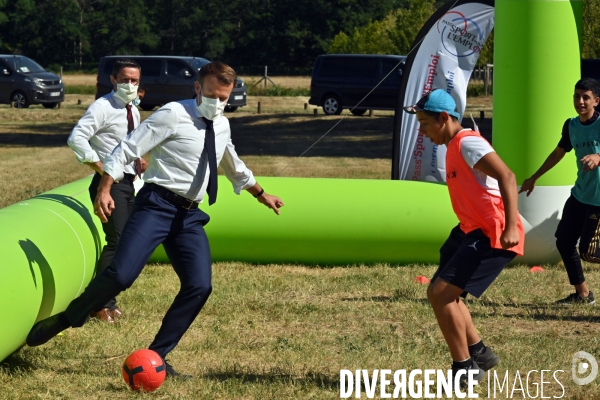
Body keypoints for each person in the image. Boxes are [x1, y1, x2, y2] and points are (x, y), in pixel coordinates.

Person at [27, 61, 284, 378]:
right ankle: (67, 318)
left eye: (224, 98)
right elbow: (125, 149)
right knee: (121, 275)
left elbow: (231, 161)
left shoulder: (222, 124)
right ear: (197, 88)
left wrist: (261, 194)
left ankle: (157, 356)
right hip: (157, 205)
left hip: (189, 216)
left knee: (200, 286)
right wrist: (105, 189)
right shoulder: (173, 114)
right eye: (212, 95)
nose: (218, 103)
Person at [403, 89, 524, 387]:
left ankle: (465, 368)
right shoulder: (454, 144)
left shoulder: (467, 142)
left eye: (424, 123)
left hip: (491, 232)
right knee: (442, 292)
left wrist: (510, 226)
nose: (422, 130)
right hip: (469, 230)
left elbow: (507, 176)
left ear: (444, 118)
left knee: (441, 295)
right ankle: (479, 353)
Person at [66, 59, 147, 323]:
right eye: (125, 79)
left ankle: (107, 301)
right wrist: (102, 169)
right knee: (117, 242)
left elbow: (129, 142)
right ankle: (99, 304)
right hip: (109, 185)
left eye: (134, 80)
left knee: (124, 242)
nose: (130, 84)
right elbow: (76, 138)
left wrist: (138, 160)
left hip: (128, 183)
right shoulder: (102, 107)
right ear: (113, 80)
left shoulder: (132, 108)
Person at [520, 78, 600, 305]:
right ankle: (583, 295)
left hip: (598, 200)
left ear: (596, 100)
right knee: (564, 242)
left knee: (588, 252)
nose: (580, 101)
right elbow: (558, 153)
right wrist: (533, 178)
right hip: (579, 195)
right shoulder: (571, 125)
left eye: (586, 97)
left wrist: (598, 157)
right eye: (577, 96)